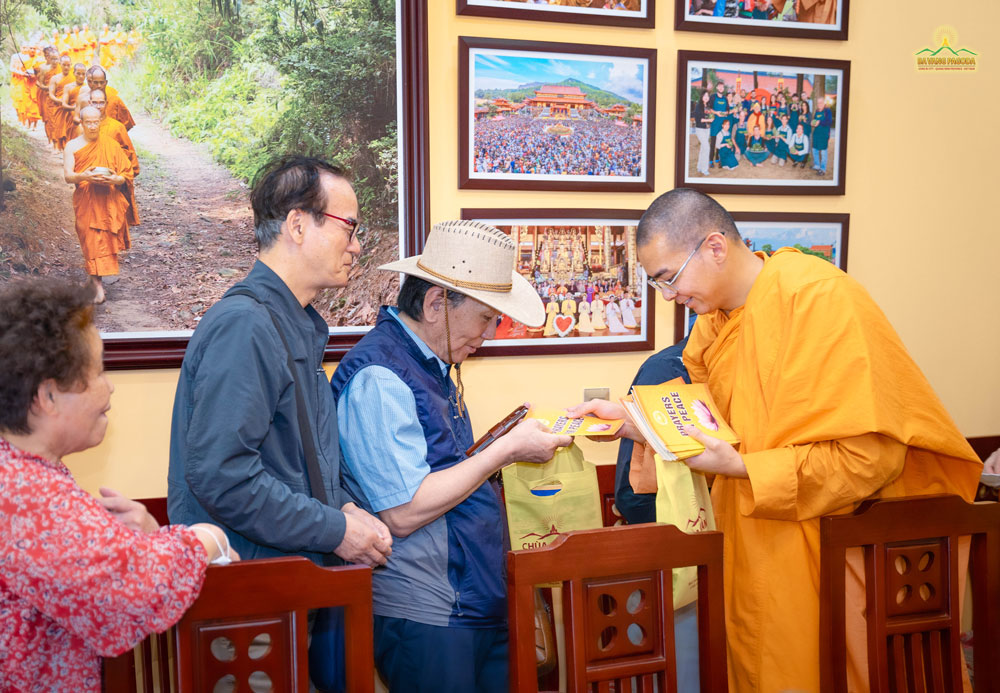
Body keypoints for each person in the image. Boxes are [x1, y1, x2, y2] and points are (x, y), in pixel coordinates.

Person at [570, 188, 982, 692]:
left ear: (716, 247)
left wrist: (743, 468)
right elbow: (710, 429)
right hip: (745, 542)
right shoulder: (711, 327)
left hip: (823, 553)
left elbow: (870, 458)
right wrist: (636, 424)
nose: (669, 297)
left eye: (669, 279)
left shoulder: (820, 299)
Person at [331, 220, 571, 692]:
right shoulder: (381, 375)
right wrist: (504, 451)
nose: (491, 333)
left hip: (469, 598)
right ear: (437, 303)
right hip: (429, 607)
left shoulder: (431, 364)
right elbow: (402, 510)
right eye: (485, 318)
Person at [0, 278, 237, 693]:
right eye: (97, 372)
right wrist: (206, 539)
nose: (109, 388)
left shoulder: (23, 478)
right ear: (47, 397)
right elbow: (128, 595)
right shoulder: (26, 497)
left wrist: (145, 537)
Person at [168, 156, 392, 572]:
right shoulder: (246, 326)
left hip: (287, 583)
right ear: (298, 224)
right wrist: (335, 530)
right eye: (350, 227)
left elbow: (294, 462)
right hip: (251, 599)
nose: (357, 245)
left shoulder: (294, 322)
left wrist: (343, 506)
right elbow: (225, 476)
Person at [64, 106, 134, 304]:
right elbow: (68, 176)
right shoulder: (72, 146)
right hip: (86, 198)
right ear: (82, 122)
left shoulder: (111, 145)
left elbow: (125, 175)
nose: (93, 126)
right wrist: (83, 176)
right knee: (89, 239)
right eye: (89, 122)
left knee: (103, 240)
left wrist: (114, 180)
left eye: (96, 122)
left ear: (101, 121)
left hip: (108, 199)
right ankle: (95, 281)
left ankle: (97, 285)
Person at [86, 87, 140, 226]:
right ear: (89, 102)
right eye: (94, 102)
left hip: (112, 182)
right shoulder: (83, 128)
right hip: (89, 184)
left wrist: (121, 173)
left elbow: (129, 154)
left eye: (101, 102)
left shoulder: (117, 127)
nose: (98, 106)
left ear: (106, 103)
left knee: (112, 222)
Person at [85, 65, 135, 130]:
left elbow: (127, 124)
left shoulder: (115, 100)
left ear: (105, 82)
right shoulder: (85, 99)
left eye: (101, 82)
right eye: (96, 82)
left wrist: (115, 134)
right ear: (92, 83)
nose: (99, 86)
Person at [692, 90, 713, 176]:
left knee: (703, 148)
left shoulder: (708, 106)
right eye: (705, 95)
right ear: (702, 97)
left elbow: (709, 116)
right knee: (707, 148)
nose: (706, 97)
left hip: (707, 129)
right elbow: (699, 119)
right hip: (700, 129)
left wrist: (711, 118)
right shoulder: (698, 106)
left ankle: (699, 167)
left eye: (708, 96)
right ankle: (705, 169)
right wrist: (709, 120)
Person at [811, 96, 833, 175]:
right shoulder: (817, 111)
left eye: (821, 102)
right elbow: (814, 120)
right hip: (816, 134)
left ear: (824, 103)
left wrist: (819, 122)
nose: (819, 104)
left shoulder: (827, 111)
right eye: (818, 103)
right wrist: (813, 123)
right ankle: (817, 165)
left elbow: (829, 121)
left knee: (823, 151)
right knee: (815, 150)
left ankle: (823, 169)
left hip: (824, 134)